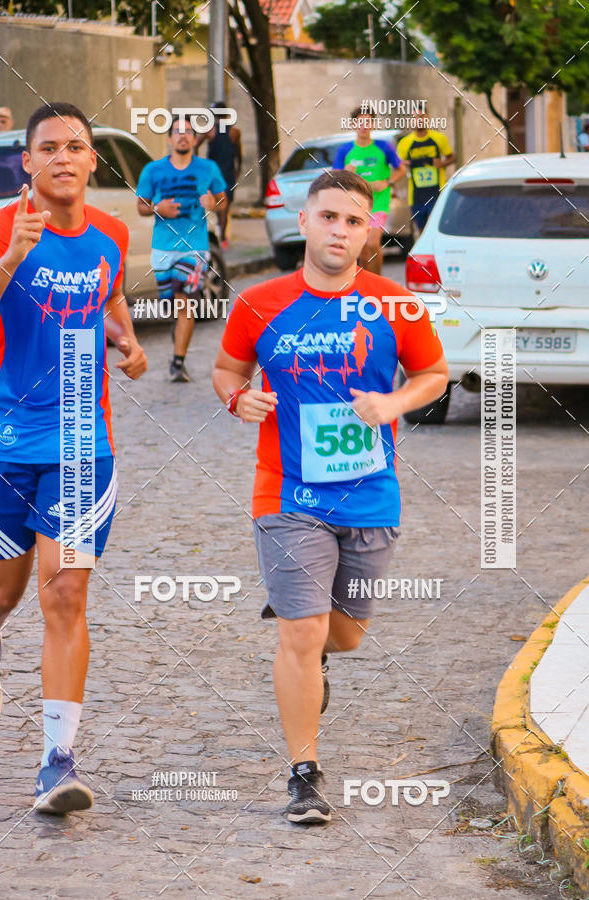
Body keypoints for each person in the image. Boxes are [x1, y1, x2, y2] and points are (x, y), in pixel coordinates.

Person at [213, 169, 449, 824]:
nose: (339, 230)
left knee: (343, 636)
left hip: (371, 493)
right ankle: (304, 775)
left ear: (367, 228)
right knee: (302, 628)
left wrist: (394, 401)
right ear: (304, 219)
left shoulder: (394, 304)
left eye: (352, 220)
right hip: (287, 494)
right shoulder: (260, 301)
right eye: (327, 217)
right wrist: (239, 397)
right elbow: (228, 367)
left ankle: (318, 653)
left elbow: (433, 374)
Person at [0, 102, 147, 814]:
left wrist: (128, 341)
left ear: (91, 161)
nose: (62, 156)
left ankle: (58, 760)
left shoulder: (111, 234)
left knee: (65, 591)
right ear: (27, 162)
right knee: (0, 595)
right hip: (3, 442)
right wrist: (13, 257)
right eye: (47, 146)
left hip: (84, 440)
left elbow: (110, 299)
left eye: (74, 146)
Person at [136, 116, 227, 382]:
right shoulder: (153, 170)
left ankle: (178, 362)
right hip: (162, 249)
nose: (183, 136)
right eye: (178, 131)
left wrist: (213, 203)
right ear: (169, 138)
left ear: (195, 139)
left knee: (184, 300)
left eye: (188, 132)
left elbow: (222, 201)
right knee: (173, 304)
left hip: (195, 248)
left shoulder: (208, 168)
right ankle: (179, 333)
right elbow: (141, 206)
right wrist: (157, 208)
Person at [333, 106, 406, 274]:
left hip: (378, 202)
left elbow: (401, 170)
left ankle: (378, 283)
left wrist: (387, 182)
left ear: (373, 124)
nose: (364, 126)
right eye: (360, 122)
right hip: (356, 205)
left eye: (368, 122)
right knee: (363, 249)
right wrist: (346, 172)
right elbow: (335, 179)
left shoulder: (384, 147)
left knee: (372, 243)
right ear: (353, 125)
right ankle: (367, 286)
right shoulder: (345, 150)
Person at [397, 114, 455, 233]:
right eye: (415, 118)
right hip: (416, 196)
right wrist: (404, 164)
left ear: (427, 118)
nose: (419, 120)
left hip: (437, 193)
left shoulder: (439, 138)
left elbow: (452, 157)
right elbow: (397, 165)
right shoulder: (405, 143)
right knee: (422, 232)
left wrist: (441, 164)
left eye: (421, 116)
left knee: (435, 229)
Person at [196, 102, 242, 250]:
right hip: (228, 173)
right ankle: (222, 237)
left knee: (214, 205)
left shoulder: (210, 131)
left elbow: (195, 145)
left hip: (213, 174)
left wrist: (197, 165)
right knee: (225, 206)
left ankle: (218, 235)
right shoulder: (234, 132)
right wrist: (238, 170)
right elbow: (239, 154)